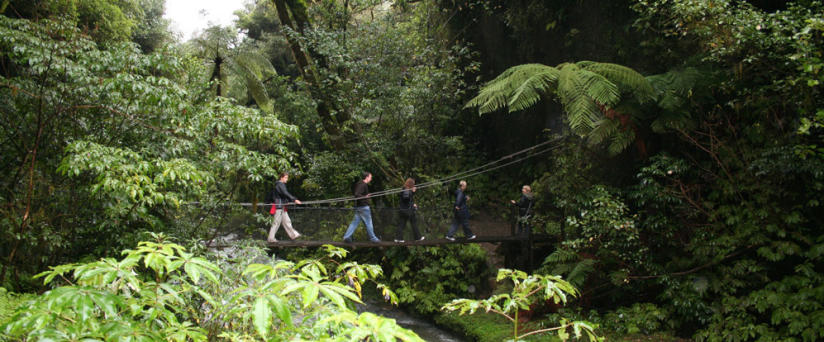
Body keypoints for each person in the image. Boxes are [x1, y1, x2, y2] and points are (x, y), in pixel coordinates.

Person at [343, 172, 381, 243]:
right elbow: (357, 194)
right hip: (364, 207)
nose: (371, 178)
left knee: (354, 223)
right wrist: (365, 197)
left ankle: (347, 236)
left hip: (359, 207)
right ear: (367, 177)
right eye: (370, 177)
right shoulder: (363, 185)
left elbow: (358, 194)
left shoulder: (359, 184)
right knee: (369, 223)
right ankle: (373, 238)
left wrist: (366, 195)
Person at [267, 172, 302, 243]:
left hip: (282, 206)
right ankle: (271, 238)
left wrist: (289, 200)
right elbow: (285, 193)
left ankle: (294, 234)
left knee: (287, 221)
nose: (287, 179)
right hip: (278, 206)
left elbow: (282, 195)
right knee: (276, 222)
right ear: (281, 177)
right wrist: (294, 199)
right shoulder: (280, 184)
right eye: (286, 177)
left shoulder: (279, 185)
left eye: (287, 178)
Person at [395, 178, 424, 243]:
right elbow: (406, 199)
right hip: (407, 210)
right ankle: (418, 238)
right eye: (413, 184)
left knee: (401, 224)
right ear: (411, 184)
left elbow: (407, 199)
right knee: (413, 223)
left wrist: (413, 202)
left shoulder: (404, 189)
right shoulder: (406, 190)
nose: (414, 185)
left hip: (403, 210)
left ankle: (398, 238)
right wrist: (412, 192)